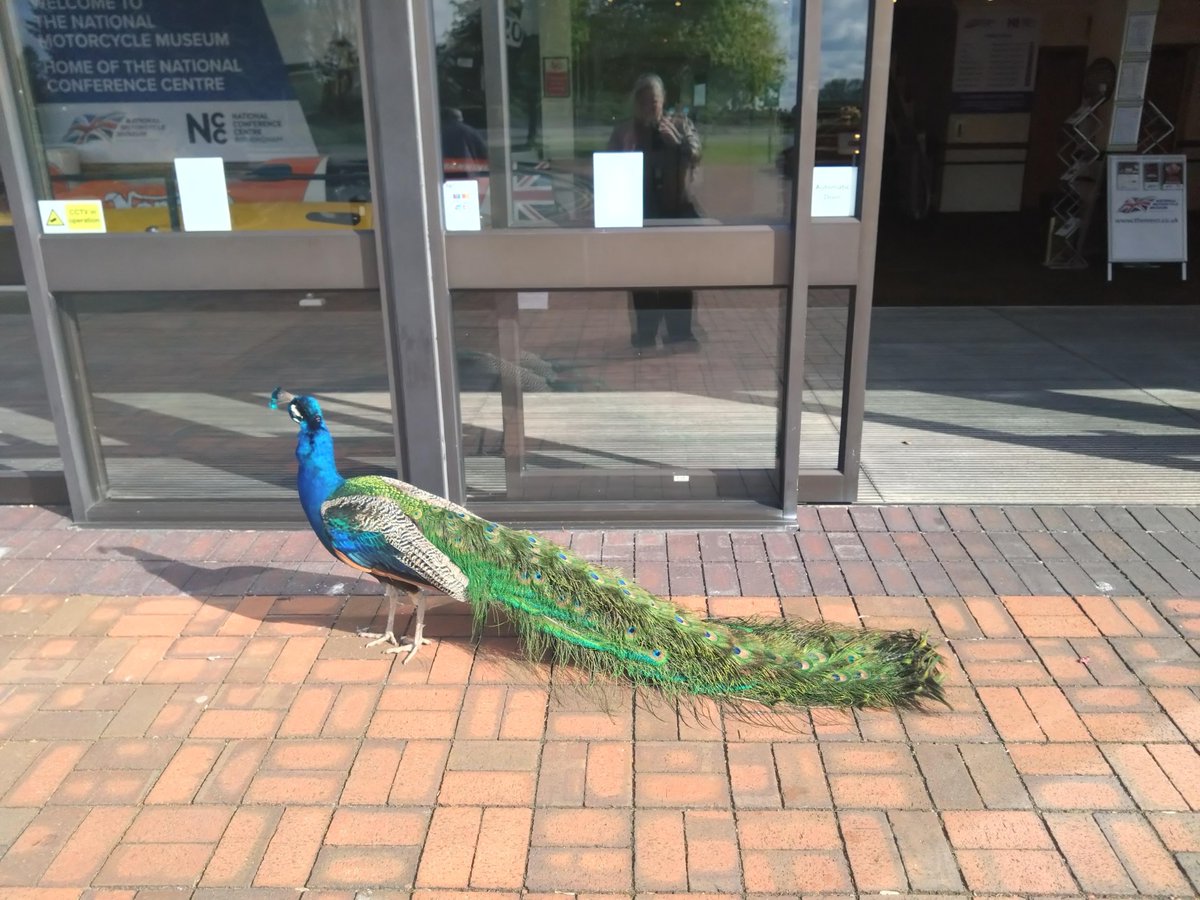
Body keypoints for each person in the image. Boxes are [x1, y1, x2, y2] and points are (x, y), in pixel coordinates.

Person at [608, 74, 702, 351]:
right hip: (640, 214)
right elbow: (610, 169)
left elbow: (696, 152)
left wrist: (680, 143)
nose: (652, 107)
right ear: (636, 103)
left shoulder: (681, 125)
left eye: (657, 101)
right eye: (646, 101)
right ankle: (646, 335)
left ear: (664, 103)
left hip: (676, 212)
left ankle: (680, 334)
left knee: (679, 276)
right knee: (643, 279)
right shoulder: (625, 131)